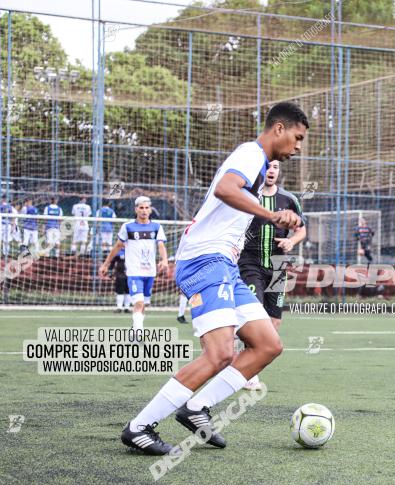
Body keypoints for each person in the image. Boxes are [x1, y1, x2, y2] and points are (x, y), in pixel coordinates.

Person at [117, 101, 307, 455]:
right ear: (279, 128)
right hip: (205, 258)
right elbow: (225, 189)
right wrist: (271, 215)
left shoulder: (260, 162)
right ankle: (139, 427)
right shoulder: (252, 153)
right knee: (219, 354)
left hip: (224, 265)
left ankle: (194, 408)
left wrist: (280, 218)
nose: (297, 147)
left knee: (268, 344)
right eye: (297, 138)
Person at [237, 159, 306, 390]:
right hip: (250, 264)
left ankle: (248, 362)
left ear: (279, 171)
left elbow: (301, 228)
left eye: (275, 167)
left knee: (273, 322)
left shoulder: (289, 200)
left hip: (278, 266)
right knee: (255, 316)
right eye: (267, 167)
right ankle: (246, 373)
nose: (271, 171)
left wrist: (291, 240)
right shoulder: (248, 197)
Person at [98, 196, 168, 335]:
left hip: (150, 272)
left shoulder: (156, 227)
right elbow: (117, 246)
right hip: (134, 271)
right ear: (136, 209)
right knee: (139, 303)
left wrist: (164, 259)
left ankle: (134, 330)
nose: (144, 211)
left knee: (144, 305)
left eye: (147, 208)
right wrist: (105, 264)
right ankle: (139, 333)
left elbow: (160, 245)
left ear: (150, 210)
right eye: (141, 208)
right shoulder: (128, 226)